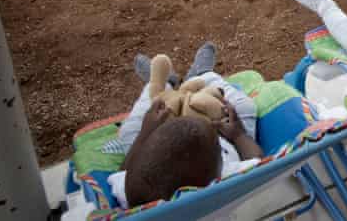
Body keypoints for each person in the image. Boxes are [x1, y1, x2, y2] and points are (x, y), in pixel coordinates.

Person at [108, 43, 264, 208]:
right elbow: (260, 165)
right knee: (242, 107)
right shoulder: (226, 181)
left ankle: (161, 84)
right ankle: (203, 75)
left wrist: (145, 133)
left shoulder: (133, 196)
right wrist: (238, 135)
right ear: (218, 167)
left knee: (132, 128)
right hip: (222, 127)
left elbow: (122, 173)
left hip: (162, 126)